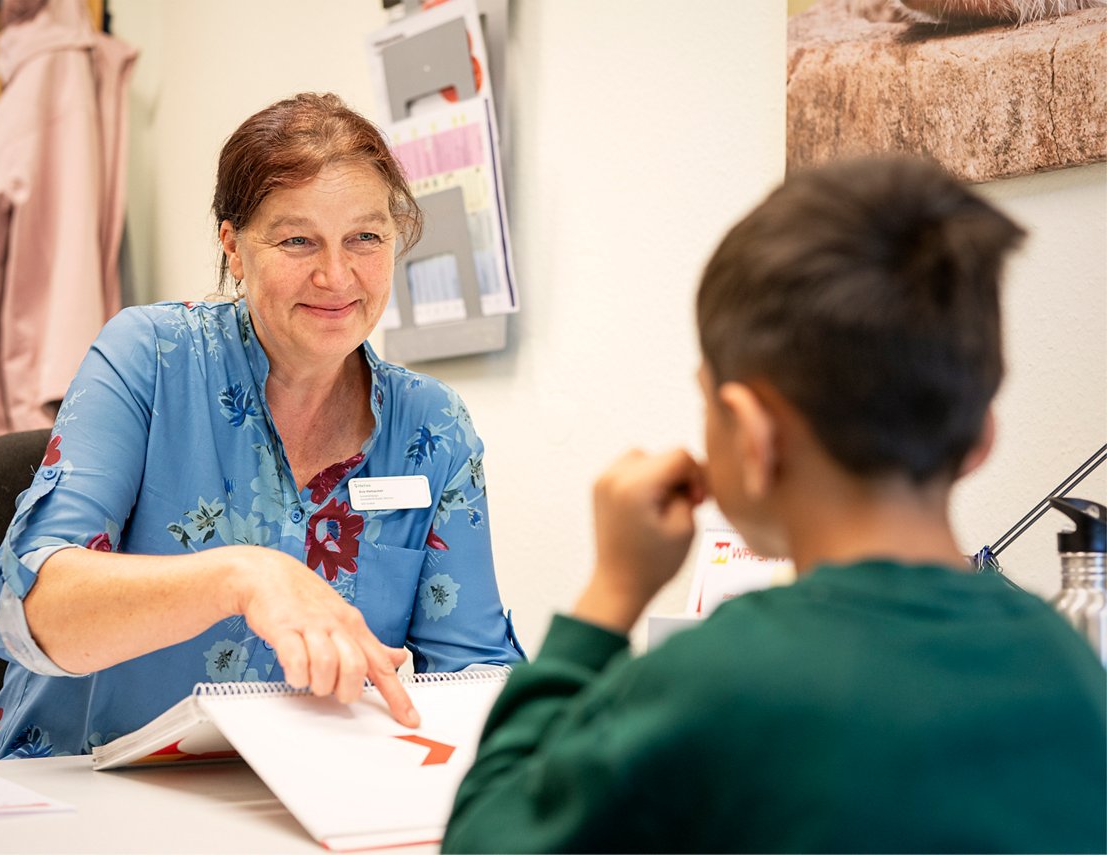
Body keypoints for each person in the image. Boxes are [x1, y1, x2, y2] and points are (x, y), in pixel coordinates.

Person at [443, 155, 1107, 853]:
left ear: (753, 437)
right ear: (980, 438)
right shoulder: (1067, 663)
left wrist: (610, 593)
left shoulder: (716, 679)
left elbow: (486, 838)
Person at [0, 93, 523, 760]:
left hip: (296, 802)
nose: (336, 274)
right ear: (234, 247)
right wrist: (241, 576)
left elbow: (473, 677)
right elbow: (31, 610)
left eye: (366, 238)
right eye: (297, 240)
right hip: (78, 789)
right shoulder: (149, 357)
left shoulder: (432, 428)